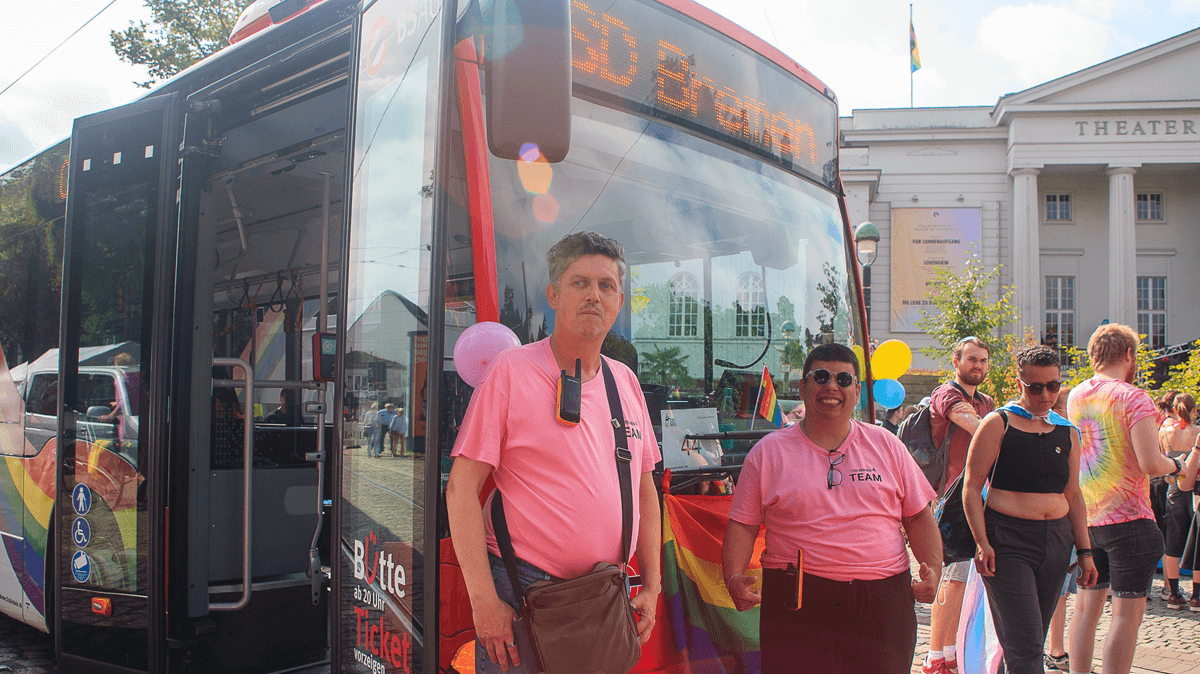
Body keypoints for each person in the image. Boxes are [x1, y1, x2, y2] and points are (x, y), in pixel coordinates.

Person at [446, 232, 661, 674]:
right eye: (579, 282)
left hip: (604, 595)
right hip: (522, 590)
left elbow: (644, 488)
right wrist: (484, 601)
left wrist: (653, 585)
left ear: (619, 302)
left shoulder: (626, 382)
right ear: (553, 295)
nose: (593, 296)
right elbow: (461, 490)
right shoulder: (511, 371)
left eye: (606, 286)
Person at [722, 342, 942, 674]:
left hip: (883, 603)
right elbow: (742, 525)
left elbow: (918, 516)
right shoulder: (768, 453)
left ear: (857, 392)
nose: (831, 386)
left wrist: (933, 569)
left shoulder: (887, 445)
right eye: (821, 376)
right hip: (796, 603)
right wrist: (734, 576)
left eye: (843, 380)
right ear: (803, 388)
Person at [962, 345, 1098, 674]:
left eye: (1053, 386)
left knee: (1029, 639)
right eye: (1036, 387)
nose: (1045, 394)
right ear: (1020, 384)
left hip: (1055, 542)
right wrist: (982, 542)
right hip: (1007, 541)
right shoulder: (999, 423)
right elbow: (971, 486)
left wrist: (1085, 551)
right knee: (1025, 647)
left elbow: (1073, 495)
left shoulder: (1067, 432)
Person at [1067, 324, 1183, 674]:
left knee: (1086, 610)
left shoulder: (1077, 394)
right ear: (1130, 354)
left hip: (1088, 518)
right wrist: (1177, 464)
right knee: (1125, 617)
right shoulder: (1134, 397)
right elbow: (1151, 463)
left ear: (1093, 356)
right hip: (1130, 519)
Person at [923, 335, 996, 674]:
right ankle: (934, 656)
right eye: (971, 359)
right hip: (948, 499)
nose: (977, 365)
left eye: (982, 360)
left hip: (975, 497)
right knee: (950, 578)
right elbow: (978, 429)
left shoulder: (986, 400)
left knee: (964, 579)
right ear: (956, 362)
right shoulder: (947, 394)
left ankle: (950, 652)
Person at [1156, 393, 1196, 608]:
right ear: (1193, 410)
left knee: (1172, 540)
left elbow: (1163, 460)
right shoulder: (1197, 432)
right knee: (1197, 541)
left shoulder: (1163, 431)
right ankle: (1197, 594)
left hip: (1173, 488)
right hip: (1195, 489)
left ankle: (1173, 593)